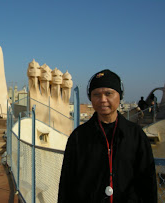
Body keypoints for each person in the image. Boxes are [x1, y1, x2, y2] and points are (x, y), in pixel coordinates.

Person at [58, 69, 157, 202]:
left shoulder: (135, 135)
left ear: (119, 96)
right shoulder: (79, 136)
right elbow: (67, 183)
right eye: (96, 94)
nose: (102, 100)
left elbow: (148, 183)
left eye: (108, 93)